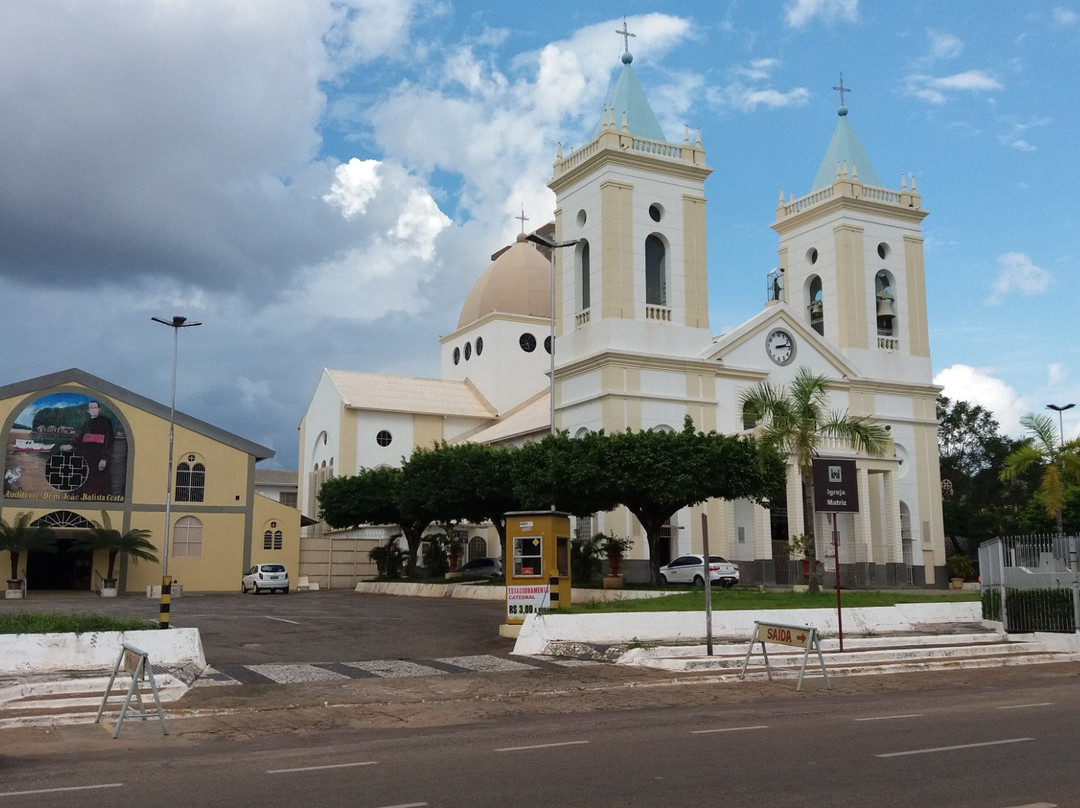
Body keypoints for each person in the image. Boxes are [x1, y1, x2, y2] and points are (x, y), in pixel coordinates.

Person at [72, 400, 113, 496]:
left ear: (99, 409)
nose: (93, 410)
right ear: (88, 411)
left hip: (99, 458)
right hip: (87, 458)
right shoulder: (87, 424)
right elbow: (80, 437)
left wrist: (104, 458)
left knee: (99, 486)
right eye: (91, 408)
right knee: (85, 484)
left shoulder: (106, 422)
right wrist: (70, 445)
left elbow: (109, 440)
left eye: (95, 408)